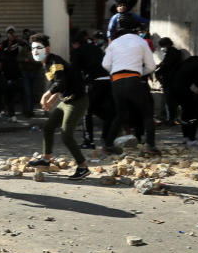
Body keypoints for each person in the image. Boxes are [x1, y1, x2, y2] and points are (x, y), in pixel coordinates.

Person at [27, 34, 91, 180]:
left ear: (47, 49)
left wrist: (45, 96)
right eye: (33, 49)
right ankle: (46, 159)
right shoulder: (46, 63)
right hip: (66, 100)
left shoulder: (55, 62)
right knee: (49, 127)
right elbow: (63, 84)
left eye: (38, 48)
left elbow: (60, 82)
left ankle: (83, 167)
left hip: (77, 101)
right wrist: (52, 100)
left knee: (66, 134)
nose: (35, 51)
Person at [102, 13, 158, 156]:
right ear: (135, 27)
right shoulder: (141, 42)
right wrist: (138, 72)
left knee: (120, 114)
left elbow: (105, 64)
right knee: (147, 113)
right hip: (134, 79)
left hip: (116, 81)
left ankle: (108, 145)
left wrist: (117, 72)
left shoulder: (114, 43)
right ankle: (150, 146)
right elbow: (151, 66)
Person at [70, 30, 112, 149]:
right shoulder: (96, 48)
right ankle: (107, 137)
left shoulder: (78, 52)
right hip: (107, 80)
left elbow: (75, 71)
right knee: (102, 110)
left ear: (75, 44)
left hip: (94, 82)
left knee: (86, 112)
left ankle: (88, 141)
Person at [154, 37, 184, 124]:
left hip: (170, 79)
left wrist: (158, 72)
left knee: (169, 100)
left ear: (167, 44)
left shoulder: (173, 52)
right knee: (169, 100)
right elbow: (164, 63)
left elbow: (166, 65)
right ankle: (169, 117)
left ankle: (171, 119)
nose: (162, 48)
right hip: (170, 79)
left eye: (163, 46)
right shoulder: (171, 52)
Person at [0, 26, 24, 121]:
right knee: (3, 93)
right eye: (9, 33)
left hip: (15, 73)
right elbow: (0, 54)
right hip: (5, 72)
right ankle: (1, 110)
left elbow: (25, 45)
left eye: (12, 33)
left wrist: (17, 39)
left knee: (12, 94)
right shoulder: (3, 44)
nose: (11, 35)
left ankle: (12, 114)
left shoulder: (18, 43)